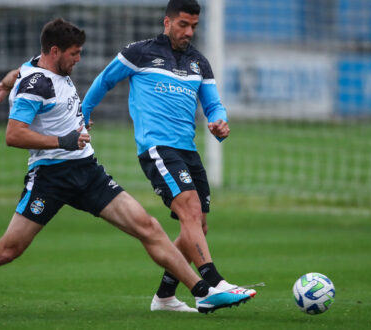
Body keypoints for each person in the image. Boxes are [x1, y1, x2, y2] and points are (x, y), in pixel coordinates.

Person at [0, 18, 251, 316]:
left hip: (87, 171)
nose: (78, 59)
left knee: (147, 226)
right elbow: (14, 134)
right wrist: (63, 140)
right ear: (55, 51)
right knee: (9, 249)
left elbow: (21, 70)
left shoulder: (37, 68)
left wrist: (5, 83)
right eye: (74, 54)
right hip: (50, 177)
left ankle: (202, 291)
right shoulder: (35, 84)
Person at [81, 0, 256, 312]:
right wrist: (83, 113)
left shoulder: (199, 63)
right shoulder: (140, 53)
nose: (189, 32)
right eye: (183, 25)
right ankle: (213, 282)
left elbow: (213, 104)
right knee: (189, 209)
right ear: (167, 22)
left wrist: (219, 121)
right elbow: (104, 80)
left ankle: (164, 297)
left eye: (194, 27)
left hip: (187, 150)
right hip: (157, 147)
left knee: (197, 226)